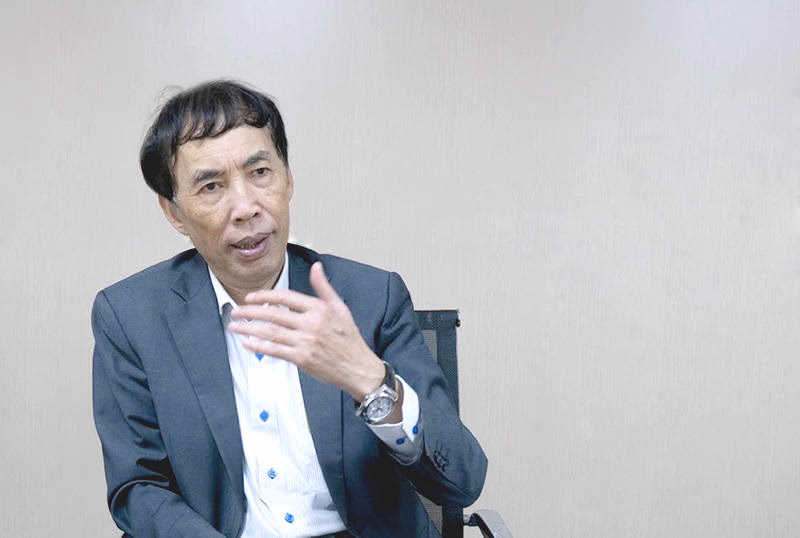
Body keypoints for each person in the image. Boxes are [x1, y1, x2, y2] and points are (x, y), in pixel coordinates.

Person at [92, 79, 487, 538]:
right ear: (174, 212)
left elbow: (462, 480)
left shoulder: (370, 297)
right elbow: (138, 487)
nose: (246, 207)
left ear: (288, 179)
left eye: (260, 172)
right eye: (211, 186)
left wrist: (372, 382)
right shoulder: (132, 317)